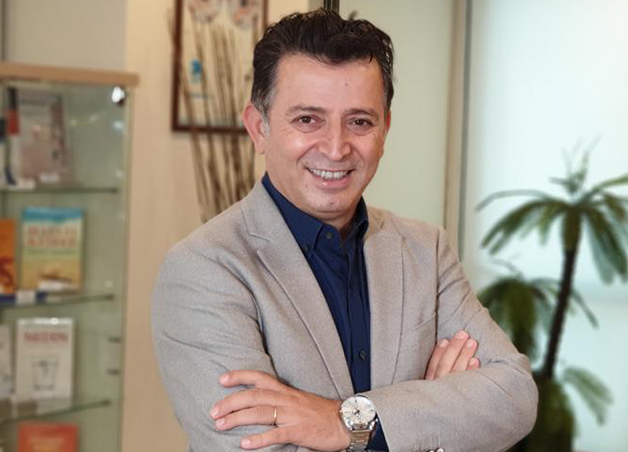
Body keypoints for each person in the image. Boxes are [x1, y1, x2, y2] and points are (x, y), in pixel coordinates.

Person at [152, 8, 537, 452]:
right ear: (259, 128)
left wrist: (345, 422)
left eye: (359, 121)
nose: (336, 148)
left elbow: (514, 396)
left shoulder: (426, 250)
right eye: (307, 120)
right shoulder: (203, 269)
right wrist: (428, 420)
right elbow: (257, 447)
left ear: (384, 130)